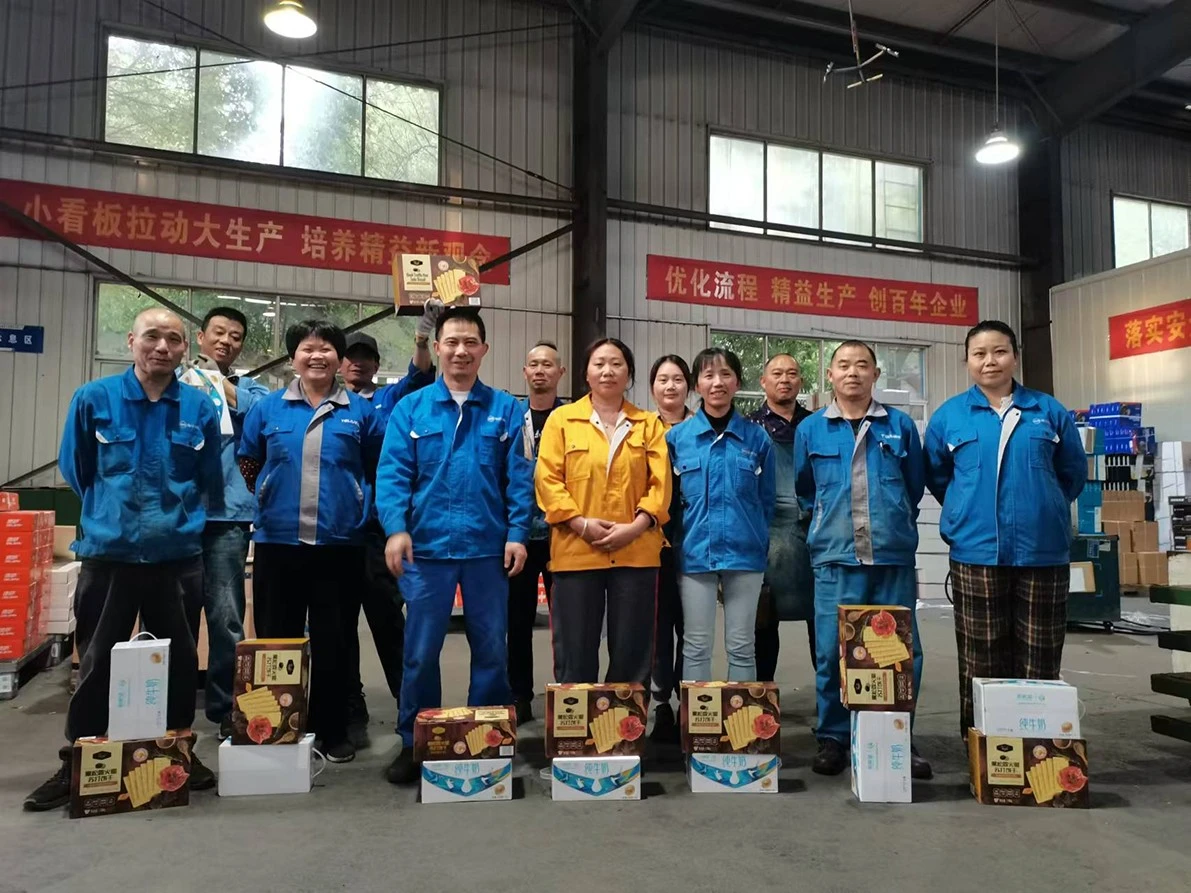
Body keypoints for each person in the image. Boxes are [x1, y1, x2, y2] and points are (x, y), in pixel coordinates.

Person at [24, 308, 224, 811]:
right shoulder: (95, 399)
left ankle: (176, 751)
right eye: (152, 336)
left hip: (176, 556)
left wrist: (177, 521)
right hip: (109, 554)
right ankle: (80, 757)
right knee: (97, 658)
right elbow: (77, 468)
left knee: (179, 660)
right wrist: (112, 514)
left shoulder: (198, 406)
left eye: (173, 339)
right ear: (132, 340)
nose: (162, 347)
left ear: (185, 348)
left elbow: (208, 476)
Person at [377, 307, 533, 784]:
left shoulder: (508, 409)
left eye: (470, 343)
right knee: (420, 652)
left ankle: (484, 737)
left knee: (491, 650)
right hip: (427, 550)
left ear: (484, 350)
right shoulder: (411, 409)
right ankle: (416, 740)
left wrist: (517, 533)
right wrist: (396, 528)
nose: (461, 351)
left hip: (487, 550)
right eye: (452, 342)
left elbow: (520, 479)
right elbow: (393, 474)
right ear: (437, 347)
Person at [923, 320, 1085, 740]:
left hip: (1042, 552)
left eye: (999, 351)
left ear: (1015, 356)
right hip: (975, 552)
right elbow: (938, 476)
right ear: (967, 361)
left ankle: (1039, 748)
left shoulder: (1048, 411)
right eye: (979, 354)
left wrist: (1043, 505)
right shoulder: (950, 417)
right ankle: (982, 746)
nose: (989, 361)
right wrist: (966, 509)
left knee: (1041, 657)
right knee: (980, 658)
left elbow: (1072, 474)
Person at [237, 319, 386, 764]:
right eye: (307, 348)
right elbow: (249, 461)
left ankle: (331, 729)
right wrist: (269, 494)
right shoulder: (269, 408)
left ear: (340, 360)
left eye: (326, 349)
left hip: (339, 545)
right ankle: (277, 728)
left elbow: (378, 467)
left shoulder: (361, 413)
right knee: (275, 641)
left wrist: (359, 504)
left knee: (333, 641)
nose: (317, 355)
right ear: (293, 358)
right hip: (277, 543)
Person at [794, 340, 931, 780]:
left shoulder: (900, 426)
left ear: (876, 374)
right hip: (835, 558)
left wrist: (891, 521)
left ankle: (895, 734)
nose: (852, 372)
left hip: (891, 557)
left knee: (898, 651)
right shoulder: (811, 430)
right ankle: (834, 737)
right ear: (830, 375)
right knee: (832, 651)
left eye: (862, 365)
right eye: (843, 365)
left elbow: (913, 487)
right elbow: (805, 490)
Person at [535, 338, 670, 690]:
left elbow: (660, 485)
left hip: (636, 552)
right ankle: (577, 723)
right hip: (576, 551)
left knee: (632, 652)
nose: (608, 371)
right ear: (586, 373)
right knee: (575, 653)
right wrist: (580, 524)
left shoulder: (649, 424)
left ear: (629, 374)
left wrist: (635, 527)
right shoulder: (562, 421)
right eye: (599, 364)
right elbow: (547, 480)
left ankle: (625, 722)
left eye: (616, 364)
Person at [336, 303, 439, 748]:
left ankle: (408, 708)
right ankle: (349, 705)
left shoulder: (388, 401)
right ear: (340, 363)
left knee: (389, 623)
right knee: (339, 626)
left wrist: (423, 336)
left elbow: (419, 377)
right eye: (351, 357)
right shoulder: (327, 403)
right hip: (335, 535)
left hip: (378, 531)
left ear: (376, 366)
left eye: (367, 358)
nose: (358, 364)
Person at [180, 307, 269, 741]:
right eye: (218, 332)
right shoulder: (176, 384)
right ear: (200, 337)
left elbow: (262, 414)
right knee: (174, 617)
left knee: (227, 618)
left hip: (229, 518)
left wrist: (216, 382)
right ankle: (171, 711)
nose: (226, 341)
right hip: (178, 517)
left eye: (235, 336)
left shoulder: (251, 389)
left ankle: (223, 709)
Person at [667, 348, 775, 683]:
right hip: (694, 553)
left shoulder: (757, 438)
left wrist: (757, 541)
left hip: (745, 555)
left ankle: (741, 715)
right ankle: (697, 717)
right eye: (708, 375)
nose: (717, 383)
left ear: (737, 383)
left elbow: (766, 501)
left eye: (726, 374)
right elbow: (669, 503)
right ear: (696, 385)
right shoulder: (677, 439)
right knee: (696, 645)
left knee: (742, 645)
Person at [508, 341, 567, 724]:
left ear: (560, 372)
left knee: (567, 624)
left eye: (548, 364)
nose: (540, 370)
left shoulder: (573, 418)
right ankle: (519, 696)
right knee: (516, 622)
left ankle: (567, 695)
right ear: (525, 372)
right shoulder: (511, 417)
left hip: (564, 536)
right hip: (519, 536)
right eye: (534, 364)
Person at [748, 354, 816, 683]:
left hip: (814, 536)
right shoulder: (748, 428)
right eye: (776, 373)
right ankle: (761, 697)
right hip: (765, 538)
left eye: (791, 373)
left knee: (824, 627)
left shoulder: (817, 425)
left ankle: (832, 702)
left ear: (800, 382)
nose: (784, 379)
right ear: (763, 382)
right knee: (763, 626)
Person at [647, 354, 693, 742]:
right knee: (658, 628)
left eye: (677, 379)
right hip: (652, 544)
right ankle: (661, 704)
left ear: (688, 386)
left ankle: (690, 705)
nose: (670, 386)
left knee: (692, 628)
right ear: (652, 388)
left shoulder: (700, 428)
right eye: (663, 379)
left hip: (694, 541)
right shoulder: (643, 430)